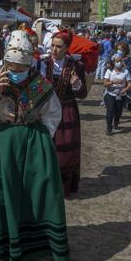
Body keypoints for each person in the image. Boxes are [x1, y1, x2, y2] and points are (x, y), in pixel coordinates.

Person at [0, 30, 68, 261]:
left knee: (29, 198)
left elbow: (53, 114)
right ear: (4, 62)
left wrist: (40, 138)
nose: (15, 70)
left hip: (29, 150)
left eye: (20, 66)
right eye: (11, 65)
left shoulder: (39, 84)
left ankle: (30, 244)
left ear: (29, 63)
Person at [38, 29, 87, 196]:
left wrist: (77, 84)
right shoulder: (44, 63)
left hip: (67, 111)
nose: (54, 49)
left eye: (58, 47)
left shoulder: (76, 66)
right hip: (46, 110)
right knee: (45, 147)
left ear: (67, 48)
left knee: (64, 150)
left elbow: (82, 94)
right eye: (52, 45)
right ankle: (44, 183)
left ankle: (62, 186)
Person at [103, 53, 131, 135]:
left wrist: (126, 89)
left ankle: (116, 123)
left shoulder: (125, 71)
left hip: (121, 95)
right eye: (117, 61)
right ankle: (109, 128)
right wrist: (112, 82)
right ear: (113, 62)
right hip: (110, 94)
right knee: (110, 110)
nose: (118, 63)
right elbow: (105, 83)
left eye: (120, 61)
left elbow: (130, 83)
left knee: (118, 111)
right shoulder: (109, 71)